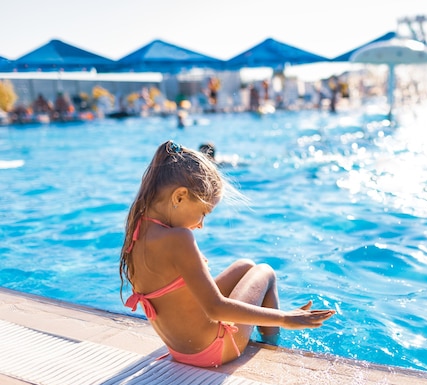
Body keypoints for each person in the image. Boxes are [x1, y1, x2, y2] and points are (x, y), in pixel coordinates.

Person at [119, 140, 335, 368]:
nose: (201, 225)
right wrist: (285, 318)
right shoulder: (178, 238)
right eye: (203, 213)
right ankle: (273, 346)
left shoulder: (138, 226)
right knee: (265, 272)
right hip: (211, 351)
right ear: (179, 197)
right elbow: (214, 308)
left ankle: (267, 329)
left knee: (244, 265)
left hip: (180, 348)